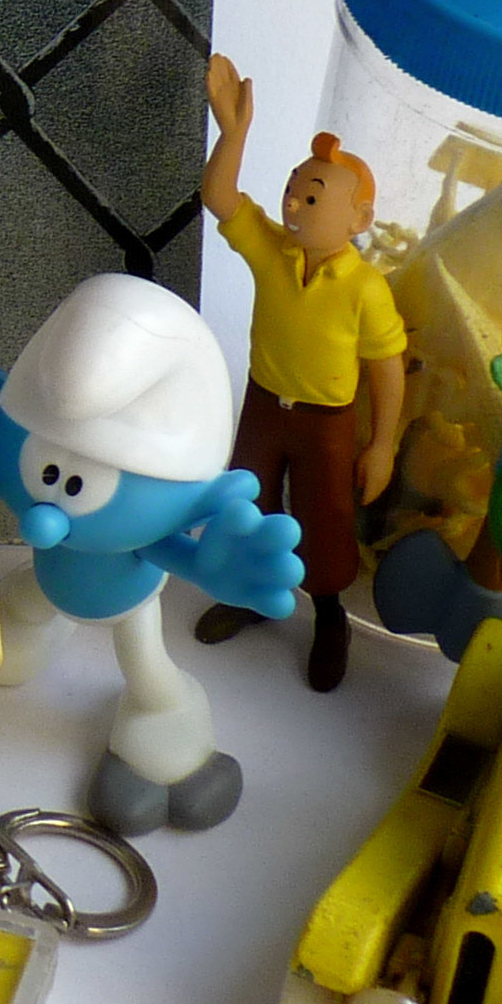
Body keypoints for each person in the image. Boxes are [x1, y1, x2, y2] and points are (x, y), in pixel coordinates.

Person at [192, 55, 405, 691]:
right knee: (248, 501)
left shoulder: (366, 288)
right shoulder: (273, 251)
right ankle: (250, 593)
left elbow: (387, 369)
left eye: (311, 197)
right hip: (264, 405)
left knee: (325, 520)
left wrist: (383, 443)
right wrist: (234, 135)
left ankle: (329, 616)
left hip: (327, 423)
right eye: (293, 189)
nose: (293, 202)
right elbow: (219, 198)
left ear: (359, 219)